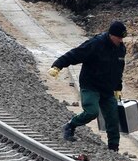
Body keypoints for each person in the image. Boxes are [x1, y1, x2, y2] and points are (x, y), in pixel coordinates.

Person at [48, 21, 127, 152]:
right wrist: (57, 65)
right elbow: (75, 54)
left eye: (122, 38)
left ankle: (113, 148)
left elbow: (119, 69)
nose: (121, 40)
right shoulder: (96, 44)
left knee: (113, 118)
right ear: (111, 35)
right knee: (92, 111)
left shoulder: (120, 48)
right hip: (91, 85)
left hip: (107, 89)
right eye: (119, 37)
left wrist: (118, 88)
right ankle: (70, 125)